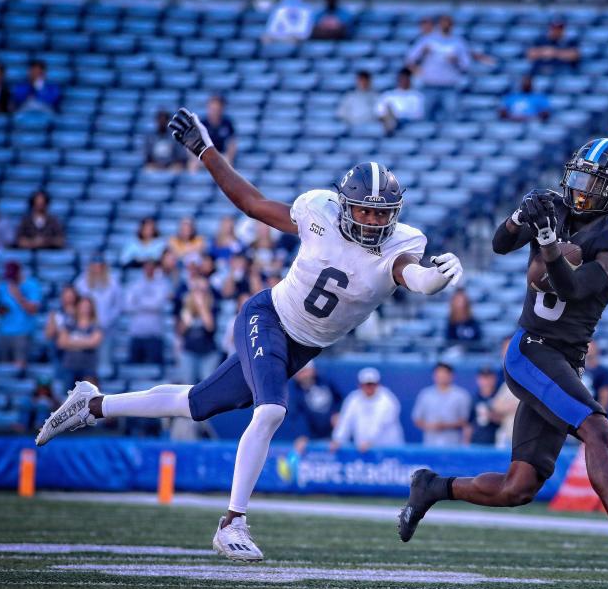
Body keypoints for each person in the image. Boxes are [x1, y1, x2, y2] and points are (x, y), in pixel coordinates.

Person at [36, 108, 463, 564]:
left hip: (304, 345)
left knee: (197, 403)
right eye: (365, 211)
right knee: (272, 410)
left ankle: (92, 403)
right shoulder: (319, 212)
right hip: (268, 316)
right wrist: (205, 150)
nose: (375, 223)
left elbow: (412, 276)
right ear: (344, 204)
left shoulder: (402, 245)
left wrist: (435, 280)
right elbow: (252, 203)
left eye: (383, 215)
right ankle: (232, 522)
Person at [398, 138, 608, 573]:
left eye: (593, 182)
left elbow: (570, 287)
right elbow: (499, 244)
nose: (580, 188)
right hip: (531, 350)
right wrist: (519, 216)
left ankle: (431, 487)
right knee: (597, 428)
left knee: (519, 487)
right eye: (578, 177)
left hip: (563, 358)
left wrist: (550, 245)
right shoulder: (553, 206)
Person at [406, 14, 471, 122]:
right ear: (439, 24)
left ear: (452, 25)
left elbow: (466, 65)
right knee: (426, 117)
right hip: (429, 86)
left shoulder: (458, 42)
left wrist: (456, 61)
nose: (445, 25)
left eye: (448, 23)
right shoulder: (427, 40)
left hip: (449, 87)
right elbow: (410, 59)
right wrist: (417, 70)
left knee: (451, 116)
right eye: (443, 23)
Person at [330, 367, 403, 451]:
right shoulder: (354, 399)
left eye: (372, 384)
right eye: (366, 384)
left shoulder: (388, 400)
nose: (369, 387)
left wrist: (369, 441)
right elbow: (345, 421)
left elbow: (379, 423)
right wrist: (337, 439)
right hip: (363, 449)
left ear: (378, 384)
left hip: (388, 449)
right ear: (360, 385)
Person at [74, 255, 121, 370]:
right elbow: (77, 303)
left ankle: (104, 375)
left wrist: (108, 320)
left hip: (106, 326)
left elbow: (118, 305)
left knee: (104, 359)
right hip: (85, 327)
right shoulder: (81, 282)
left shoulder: (113, 282)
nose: (97, 269)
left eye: (100, 266)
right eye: (94, 266)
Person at [412, 362, 472, 447]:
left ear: (451, 375)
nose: (441, 377)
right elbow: (417, 419)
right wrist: (430, 426)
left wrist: (446, 425)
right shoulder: (425, 394)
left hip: (453, 444)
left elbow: (466, 421)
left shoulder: (461, 395)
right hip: (430, 443)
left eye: (444, 374)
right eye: (438, 374)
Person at [125, 260, 171, 365]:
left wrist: (138, 302)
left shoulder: (162, 284)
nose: (149, 270)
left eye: (151, 268)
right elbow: (128, 306)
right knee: (134, 367)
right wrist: (149, 304)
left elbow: (158, 304)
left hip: (154, 333)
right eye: (146, 268)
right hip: (136, 333)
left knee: (155, 368)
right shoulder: (135, 284)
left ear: (155, 269)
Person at [0, 262, 41, 368]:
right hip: (4, 331)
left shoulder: (32, 285)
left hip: (22, 332)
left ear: (20, 272)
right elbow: (2, 309)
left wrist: (17, 295)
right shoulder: (4, 286)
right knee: (4, 368)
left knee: (19, 367)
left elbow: (33, 310)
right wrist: (0, 309)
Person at [176, 275, 218, 383]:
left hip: (208, 353)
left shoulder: (213, 306)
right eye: (197, 290)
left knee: (207, 384)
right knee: (187, 385)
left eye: (203, 290)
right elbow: (180, 332)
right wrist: (187, 318)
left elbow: (210, 327)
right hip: (189, 351)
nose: (200, 294)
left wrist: (201, 307)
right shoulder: (185, 307)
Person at [288, 361, 341, 441]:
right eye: (301, 372)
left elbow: (339, 400)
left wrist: (337, 413)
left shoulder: (326, 381)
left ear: (313, 370)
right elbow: (295, 416)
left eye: (306, 371)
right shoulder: (294, 392)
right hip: (312, 435)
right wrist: (302, 435)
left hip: (334, 431)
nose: (304, 375)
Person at [57, 297, 103, 385]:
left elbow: (94, 343)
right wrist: (85, 342)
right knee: (68, 397)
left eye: (87, 307)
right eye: (82, 306)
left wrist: (71, 342)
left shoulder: (96, 326)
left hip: (88, 369)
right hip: (69, 368)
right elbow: (61, 343)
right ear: (77, 307)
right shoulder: (69, 325)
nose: (84, 310)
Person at [376, 68, 425, 133]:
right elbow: (379, 112)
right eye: (402, 78)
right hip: (389, 120)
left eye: (406, 78)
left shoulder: (417, 96)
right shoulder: (388, 95)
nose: (403, 81)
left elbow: (418, 114)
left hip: (408, 122)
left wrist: (400, 116)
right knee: (388, 115)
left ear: (410, 79)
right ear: (398, 79)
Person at [193, 95, 236, 168]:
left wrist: (229, 155)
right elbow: (195, 143)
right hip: (205, 155)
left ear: (222, 109)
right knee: (193, 164)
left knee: (228, 161)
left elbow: (232, 143)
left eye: (217, 109)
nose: (215, 112)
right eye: (213, 109)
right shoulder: (202, 123)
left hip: (222, 155)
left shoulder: (227, 123)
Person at [466, 366, 501, 446]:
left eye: (489, 378)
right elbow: (469, 423)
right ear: (478, 380)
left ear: (494, 379)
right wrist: (466, 443)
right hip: (477, 440)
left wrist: (491, 416)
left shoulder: (500, 396)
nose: (486, 381)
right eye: (483, 378)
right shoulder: (474, 399)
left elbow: (506, 420)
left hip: (496, 441)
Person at [582, 340, 608, 411]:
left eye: (589, 347)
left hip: (592, 411)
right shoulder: (575, 369)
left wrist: (600, 413)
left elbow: (604, 395)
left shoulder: (602, 372)